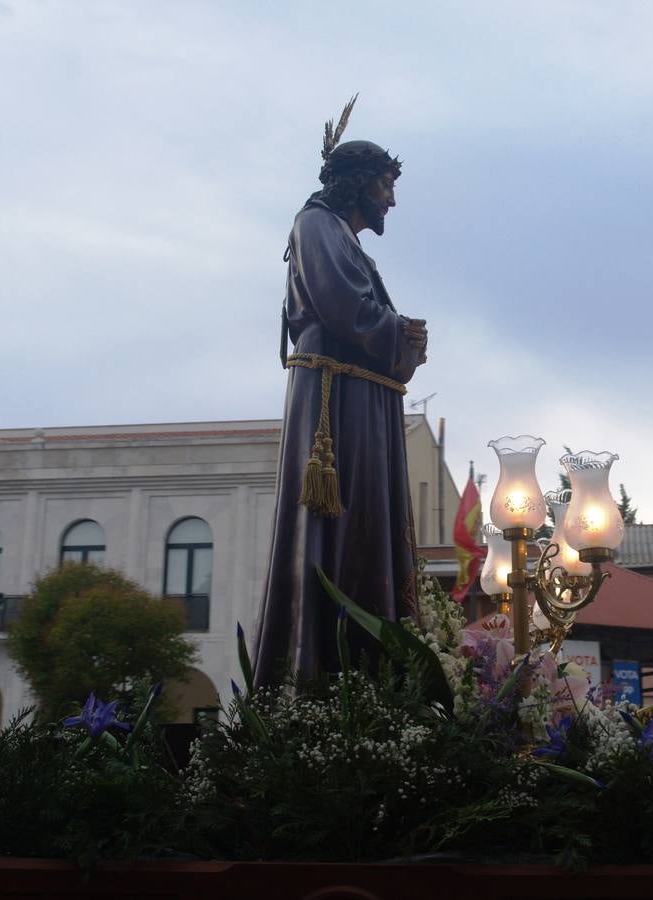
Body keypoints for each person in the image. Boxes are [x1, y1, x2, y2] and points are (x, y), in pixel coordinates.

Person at [254, 101, 428, 685]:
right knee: (341, 522)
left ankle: (371, 671)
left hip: (360, 398)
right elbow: (345, 307)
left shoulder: (343, 239)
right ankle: (322, 676)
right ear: (358, 182)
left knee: (365, 526)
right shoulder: (315, 226)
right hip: (336, 402)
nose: (391, 201)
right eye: (386, 185)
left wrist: (404, 341)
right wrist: (399, 336)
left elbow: (364, 316)